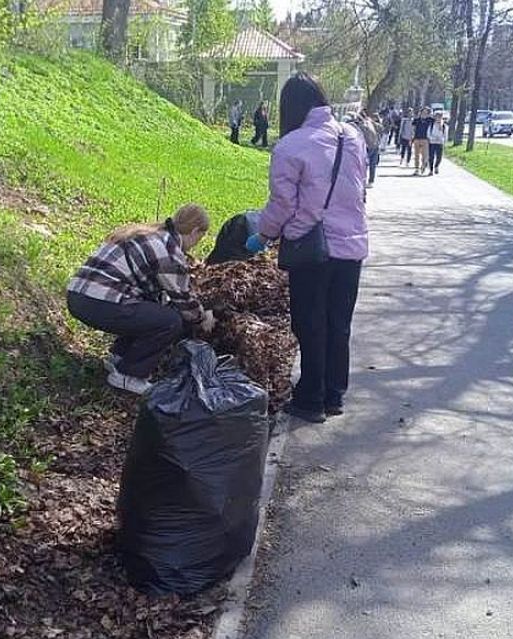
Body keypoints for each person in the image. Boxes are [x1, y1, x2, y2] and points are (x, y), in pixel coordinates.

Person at [243, 73, 369, 423]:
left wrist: (263, 237)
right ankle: (334, 395)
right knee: (339, 323)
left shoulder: (290, 146)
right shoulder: (352, 136)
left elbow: (282, 205)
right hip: (352, 245)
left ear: (291, 107)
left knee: (310, 323)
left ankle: (310, 399)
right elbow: (360, 187)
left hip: (311, 249)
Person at [67, 205, 216, 395]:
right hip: (97, 302)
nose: (196, 245)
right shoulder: (169, 251)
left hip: (78, 295)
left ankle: (118, 357)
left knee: (150, 307)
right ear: (196, 231)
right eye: (200, 238)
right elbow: (184, 302)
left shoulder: (148, 233)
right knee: (170, 321)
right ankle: (128, 375)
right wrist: (203, 318)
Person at [357, 110, 381, 188]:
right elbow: (380, 128)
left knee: (364, 164)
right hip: (375, 145)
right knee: (372, 165)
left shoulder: (361, 125)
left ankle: (363, 180)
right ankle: (371, 181)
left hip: (368, 146)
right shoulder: (371, 122)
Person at [411, 106, 433, 175]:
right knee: (416, 154)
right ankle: (416, 169)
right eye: (423, 112)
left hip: (425, 139)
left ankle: (423, 165)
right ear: (420, 113)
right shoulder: (416, 120)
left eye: (426, 112)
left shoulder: (429, 120)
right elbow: (413, 129)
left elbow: (437, 121)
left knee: (424, 154)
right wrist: (412, 138)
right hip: (417, 138)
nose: (424, 114)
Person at [428, 110, 448, 175]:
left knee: (439, 157)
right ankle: (431, 170)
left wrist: (444, 141)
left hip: (440, 143)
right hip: (432, 142)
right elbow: (428, 134)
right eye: (437, 116)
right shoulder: (431, 125)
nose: (438, 118)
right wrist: (432, 138)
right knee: (431, 157)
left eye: (440, 116)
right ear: (435, 117)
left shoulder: (444, 126)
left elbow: (445, 135)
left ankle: (436, 166)